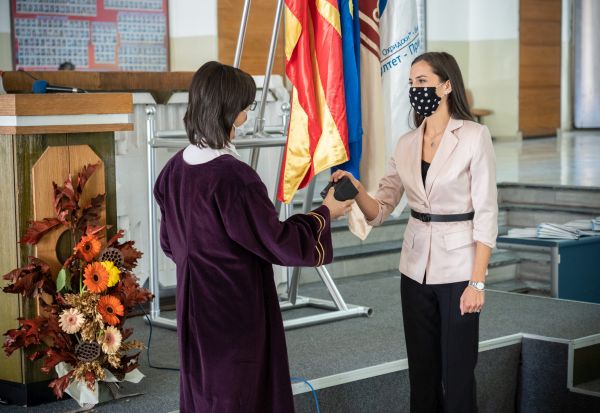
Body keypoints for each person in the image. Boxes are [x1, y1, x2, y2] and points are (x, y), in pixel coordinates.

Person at [154, 61, 353, 413]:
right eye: (246, 106)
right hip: (234, 305)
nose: (248, 113)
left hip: (193, 303)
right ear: (230, 112)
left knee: (205, 391)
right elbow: (278, 241)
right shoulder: (233, 177)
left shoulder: (174, 168)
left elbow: (170, 243)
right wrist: (326, 213)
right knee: (241, 393)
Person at [331, 52, 498, 412]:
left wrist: (477, 282)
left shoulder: (474, 136)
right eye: (411, 83)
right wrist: (356, 189)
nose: (415, 89)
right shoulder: (406, 142)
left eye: (422, 82)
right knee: (421, 375)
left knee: (457, 375)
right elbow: (379, 210)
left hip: (459, 271)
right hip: (414, 269)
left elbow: (486, 213)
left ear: (447, 85)